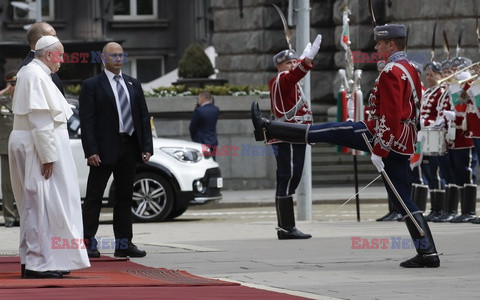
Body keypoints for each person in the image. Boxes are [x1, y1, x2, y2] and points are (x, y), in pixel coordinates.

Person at [252, 24, 440, 268]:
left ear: (392, 45)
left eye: (380, 44)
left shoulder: (393, 71)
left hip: (382, 136)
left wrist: (380, 150)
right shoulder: (410, 68)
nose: (376, 47)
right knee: (404, 199)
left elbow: (391, 116)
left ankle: (268, 128)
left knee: (332, 131)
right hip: (401, 140)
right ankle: (428, 253)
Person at [9, 36, 90, 278]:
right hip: (38, 147)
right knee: (39, 204)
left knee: (44, 205)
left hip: (38, 146)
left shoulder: (36, 73)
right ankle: (37, 263)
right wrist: (47, 156)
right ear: (48, 55)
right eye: (61, 56)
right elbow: (41, 120)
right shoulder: (34, 74)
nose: (63, 61)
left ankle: (44, 259)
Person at [80, 42, 153, 258]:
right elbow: (87, 122)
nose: (118, 59)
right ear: (103, 58)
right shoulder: (92, 85)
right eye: (113, 56)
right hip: (102, 150)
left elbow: (143, 116)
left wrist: (146, 147)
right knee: (94, 197)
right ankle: (87, 243)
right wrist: (90, 150)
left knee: (124, 197)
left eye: (121, 55)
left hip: (129, 146)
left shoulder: (133, 84)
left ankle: (123, 244)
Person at [259, 34, 321, 240]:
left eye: (294, 61)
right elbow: (295, 75)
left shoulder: (285, 79)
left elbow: (295, 76)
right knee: (288, 177)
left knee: (289, 178)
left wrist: (301, 60)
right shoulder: (283, 79)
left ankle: (286, 226)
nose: (292, 65)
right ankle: (286, 227)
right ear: (279, 66)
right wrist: (306, 60)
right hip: (290, 134)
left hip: (293, 133)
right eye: (289, 63)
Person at [19, 22, 64, 95]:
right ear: (42, 40)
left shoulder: (36, 65)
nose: (57, 39)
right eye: (53, 36)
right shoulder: (32, 69)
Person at [0, 70, 20, 227]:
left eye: (16, 84)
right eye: (11, 84)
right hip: (6, 147)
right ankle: (9, 217)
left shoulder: (25, 100)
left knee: (22, 183)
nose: (14, 87)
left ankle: (21, 215)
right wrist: (4, 91)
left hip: (22, 147)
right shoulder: (3, 100)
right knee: (7, 185)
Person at [189, 91, 219, 159]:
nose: (198, 100)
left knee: (202, 162)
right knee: (212, 161)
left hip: (201, 141)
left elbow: (192, 127)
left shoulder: (198, 111)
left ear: (202, 98)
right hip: (213, 140)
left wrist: (194, 138)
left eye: (198, 98)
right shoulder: (216, 109)